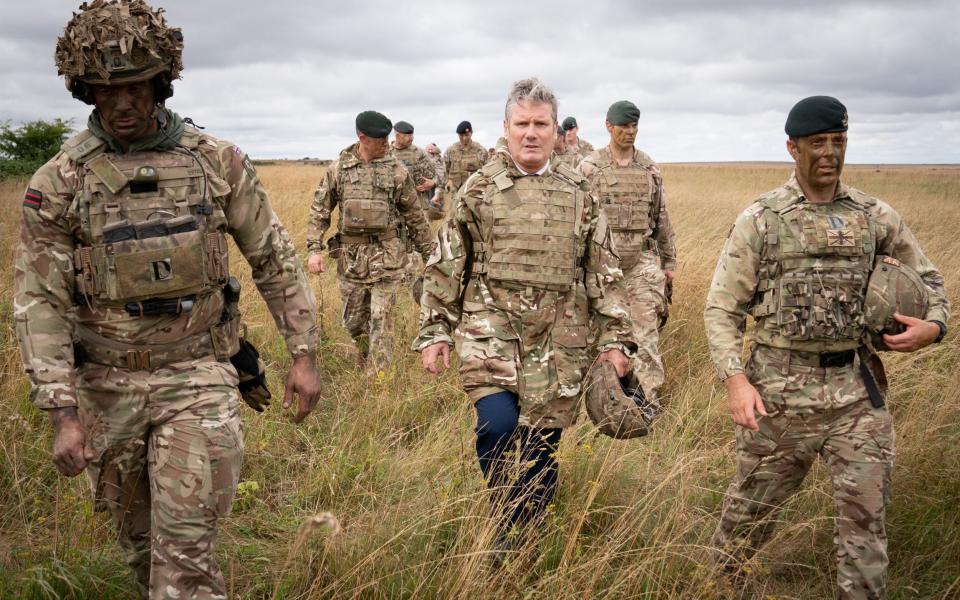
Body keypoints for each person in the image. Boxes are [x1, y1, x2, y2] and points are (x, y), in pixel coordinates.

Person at [14, 1, 323, 597]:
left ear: (160, 81)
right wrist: (62, 411)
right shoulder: (60, 182)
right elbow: (39, 303)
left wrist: (304, 354)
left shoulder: (216, 162)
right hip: (107, 385)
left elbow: (274, 258)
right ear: (85, 91)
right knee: (138, 549)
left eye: (134, 87)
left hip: (198, 376)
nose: (123, 104)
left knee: (183, 558)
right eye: (106, 90)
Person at [704, 95, 950, 599]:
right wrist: (735, 379)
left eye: (838, 142)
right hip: (777, 394)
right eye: (818, 143)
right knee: (748, 520)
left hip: (856, 395)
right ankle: (720, 589)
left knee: (866, 530)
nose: (829, 154)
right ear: (792, 148)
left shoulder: (874, 216)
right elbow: (721, 309)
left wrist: (936, 327)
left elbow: (931, 282)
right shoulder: (762, 219)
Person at [415, 77, 636, 555]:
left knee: (541, 448)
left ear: (556, 131)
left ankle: (522, 538)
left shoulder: (581, 191)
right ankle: (503, 508)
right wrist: (436, 330)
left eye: (541, 124)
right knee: (495, 424)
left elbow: (605, 270)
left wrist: (618, 340)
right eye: (522, 124)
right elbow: (448, 262)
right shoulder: (479, 189)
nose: (531, 133)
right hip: (489, 327)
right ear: (506, 128)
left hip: (560, 336)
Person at [307, 111, 432, 374]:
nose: (387, 143)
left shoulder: (396, 171)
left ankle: (378, 380)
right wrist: (314, 249)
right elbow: (320, 209)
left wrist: (430, 255)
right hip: (351, 258)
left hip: (387, 257)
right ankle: (365, 355)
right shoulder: (339, 169)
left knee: (380, 319)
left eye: (388, 138)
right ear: (362, 138)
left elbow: (415, 217)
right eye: (381, 139)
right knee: (353, 322)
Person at [579, 101, 676, 402]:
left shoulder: (648, 168)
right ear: (609, 126)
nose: (630, 132)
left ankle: (647, 404)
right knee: (603, 337)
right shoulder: (589, 168)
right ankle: (604, 402)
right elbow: (578, 220)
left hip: (641, 265)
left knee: (646, 337)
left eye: (634, 126)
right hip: (602, 269)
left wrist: (669, 262)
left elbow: (661, 216)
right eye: (624, 126)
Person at [391, 121, 442, 220]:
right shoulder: (386, 153)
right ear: (397, 136)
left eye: (412, 135)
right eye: (408, 136)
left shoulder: (419, 153)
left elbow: (438, 174)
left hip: (418, 205)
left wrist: (433, 183)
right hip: (394, 206)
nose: (412, 138)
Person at [443, 120, 487, 198]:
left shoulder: (480, 150)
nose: (464, 138)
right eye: (461, 135)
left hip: (474, 188)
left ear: (471, 133)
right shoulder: (451, 150)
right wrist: (448, 180)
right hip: (455, 189)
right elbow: (445, 168)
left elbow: (487, 169)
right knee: (455, 208)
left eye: (467, 135)